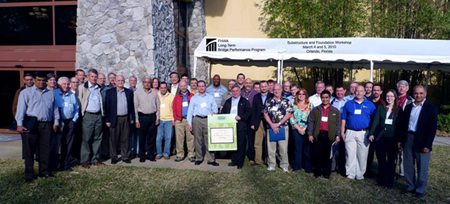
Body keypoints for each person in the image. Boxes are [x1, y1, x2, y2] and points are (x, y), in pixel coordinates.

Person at [15, 72, 60, 182]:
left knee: (45, 150)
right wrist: (19, 124)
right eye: (39, 80)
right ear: (34, 80)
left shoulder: (51, 93)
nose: (41, 82)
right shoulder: (26, 93)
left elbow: (55, 109)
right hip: (31, 124)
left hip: (46, 124)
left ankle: (44, 172)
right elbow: (21, 108)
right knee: (29, 150)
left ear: (46, 81)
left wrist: (56, 122)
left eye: (43, 80)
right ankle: (29, 175)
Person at [398, 85, 437, 198]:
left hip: (422, 140)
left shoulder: (430, 108)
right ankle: (410, 186)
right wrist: (400, 140)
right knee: (408, 164)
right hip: (408, 138)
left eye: (420, 93)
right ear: (413, 94)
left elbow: (432, 128)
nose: (418, 95)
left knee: (422, 166)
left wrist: (428, 144)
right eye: (416, 93)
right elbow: (402, 125)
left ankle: (420, 188)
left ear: (425, 94)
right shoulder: (409, 107)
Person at [341, 85, 376, 180]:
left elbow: (375, 120)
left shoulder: (370, 104)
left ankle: (360, 174)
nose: (359, 93)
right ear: (354, 92)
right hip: (350, 132)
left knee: (362, 155)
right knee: (350, 154)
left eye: (361, 91)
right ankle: (350, 174)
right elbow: (343, 118)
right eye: (357, 91)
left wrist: (372, 132)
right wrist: (342, 132)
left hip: (363, 133)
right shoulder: (348, 103)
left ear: (365, 92)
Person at [368, 89, 399, 188]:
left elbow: (400, 125)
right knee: (381, 159)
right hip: (381, 138)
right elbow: (376, 121)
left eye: (391, 96)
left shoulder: (399, 109)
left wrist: (399, 140)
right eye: (387, 96)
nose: (389, 98)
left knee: (391, 160)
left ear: (395, 97)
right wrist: (371, 133)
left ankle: (389, 181)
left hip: (392, 139)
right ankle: (381, 179)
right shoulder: (381, 108)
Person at [307, 90, 341, 179]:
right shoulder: (316, 110)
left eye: (327, 97)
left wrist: (338, 135)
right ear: (321, 98)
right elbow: (310, 122)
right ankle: (317, 171)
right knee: (317, 154)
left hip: (330, 135)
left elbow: (338, 124)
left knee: (328, 155)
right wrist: (310, 134)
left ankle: (326, 172)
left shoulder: (335, 111)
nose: (325, 99)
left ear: (330, 98)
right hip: (318, 134)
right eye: (323, 97)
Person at [77, 69, 105, 168]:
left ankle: (95, 159)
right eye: (92, 76)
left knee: (97, 138)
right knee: (86, 138)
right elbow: (79, 101)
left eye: (95, 77)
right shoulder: (82, 88)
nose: (94, 78)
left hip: (98, 115)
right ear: (88, 77)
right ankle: (85, 160)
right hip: (88, 115)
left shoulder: (99, 88)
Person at [187, 80, 219, 166]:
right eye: (199, 86)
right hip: (197, 119)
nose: (201, 88)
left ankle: (211, 159)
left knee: (209, 139)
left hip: (208, 119)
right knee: (198, 140)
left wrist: (214, 112)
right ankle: (199, 158)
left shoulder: (210, 97)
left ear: (205, 87)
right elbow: (190, 111)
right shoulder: (194, 98)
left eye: (203, 86)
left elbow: (215, 108)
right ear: (197, 88)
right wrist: (189, 123)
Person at [105, 75, 135, 164]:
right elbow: (107, 107)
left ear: (124, 81)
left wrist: (132, 118)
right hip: (114, 119)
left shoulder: (129, 92)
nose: (120, 82)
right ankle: (114, 157)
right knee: (113, 139)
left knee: (125, 138)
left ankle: (125, 156)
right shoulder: (110, 92)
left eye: (122, 80)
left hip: (125, 118)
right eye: (118, 80)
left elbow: (132, 107)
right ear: (115, 81)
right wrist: (107, 120)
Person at [264, 84, 293, 172]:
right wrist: (272, 124)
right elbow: (265, 114)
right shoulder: (269, 101)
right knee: (271, 148)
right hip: (271, 127)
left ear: (281, 90)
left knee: (283, 148)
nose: (276, 91)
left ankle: (284, 165)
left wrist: (278, 124)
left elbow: (289, 114)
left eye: (278, 89)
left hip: (282, 127)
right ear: (272, 90)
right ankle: (271, 164)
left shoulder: (286, 101)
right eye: (274, 90)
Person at [222, 85, 252, 169]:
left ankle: (240, 162)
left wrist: (241, 117)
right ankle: (234, 161)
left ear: (240, 92)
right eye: (233, 91)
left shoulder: (244, 101)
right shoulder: (228, 101)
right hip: (230, 126)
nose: (235, 93)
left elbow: (249, 112)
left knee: (241, 145)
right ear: (231, 92)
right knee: (232, 144)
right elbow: (223, 112)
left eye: (237, 91)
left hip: (241, 125)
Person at [54, 77, 79, 171]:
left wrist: (74, 120)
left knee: (68, 145)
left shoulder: (71, 95)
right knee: (57, 145)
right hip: (58, 122)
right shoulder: (54, 94)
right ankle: (55, 165)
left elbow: (77, 108)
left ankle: (65, 165)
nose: (66, 86)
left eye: (68, 84)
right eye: (64, 84)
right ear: (59, 84)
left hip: (69, 122)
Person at [134, 76, 160, 162]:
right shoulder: (138, 94)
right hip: (142, 117)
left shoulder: (154, 93)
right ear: (143, 83)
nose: (147, 84)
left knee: (151, 137)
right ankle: (142, 156)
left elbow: (158, 106)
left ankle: (150, 154)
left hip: (152, 117)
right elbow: (135, 107)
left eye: (149, 82)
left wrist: (157, 118)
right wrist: (137, 120)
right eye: (146, 82)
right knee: (142, 138)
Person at [289, 88, 314, 172]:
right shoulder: (293, 106)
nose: (301, 96)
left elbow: (312, 119)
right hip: (296, 129)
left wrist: (305, 128)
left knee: (307, 149)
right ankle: (297, 166)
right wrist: (299, 128)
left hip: (307, 130)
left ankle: (307, 167)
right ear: (297, 95)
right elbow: (291, 118)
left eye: (303, 94)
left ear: (306, 95)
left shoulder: (310, 106)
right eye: (299, 94)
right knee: (297, 148)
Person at [250, 81, 273, 166]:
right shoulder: (256, 97)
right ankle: (258, 160)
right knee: (258, 142)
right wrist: (252, 123)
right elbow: (253, 110)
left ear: (268, 87)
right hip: (258, 122)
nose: (263, 88)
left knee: (269, 142)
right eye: (262, 87)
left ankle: (268, 160)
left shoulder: (272, 96)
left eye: (265, 86)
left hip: (269, 122)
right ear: (260, 88)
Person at [365, 84, 385, 177]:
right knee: (368, 152)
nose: (375, 92)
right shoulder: (368, 102)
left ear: (381, 92)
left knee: (380, 153)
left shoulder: (384, 103)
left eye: (378, 90)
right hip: (369, 130)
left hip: (380, 132)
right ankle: (367, 170)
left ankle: (381, 173)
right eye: (374, 90)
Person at [173, 80, 195, 162]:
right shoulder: (177, 97)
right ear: (179, 87)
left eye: (184, 86)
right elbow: (174, 108)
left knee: (190, 138)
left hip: (189, 120)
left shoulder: (192, 96)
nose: (183, 87)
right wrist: (176, 119)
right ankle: (180, 154)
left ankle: (191, 154)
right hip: (179, 120)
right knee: (179, 138)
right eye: (181, 86)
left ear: (187, 86)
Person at [396, 80, 413, 179]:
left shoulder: (410, 101)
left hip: (404, 129)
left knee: (402, 152)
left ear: (407, 89)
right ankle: (392, 170)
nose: (401, 88)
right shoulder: (394, 98)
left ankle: (402, 173)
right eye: (400, 87)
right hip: (394, 127)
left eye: (403, 87)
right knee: (393, 151)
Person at [155, 82, 175, 160]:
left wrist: (173, 119)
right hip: (159, 119)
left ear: (167, 88)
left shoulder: (171, 96)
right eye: (162, 87)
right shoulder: (156, 96)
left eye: (165, 88)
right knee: (159, 138)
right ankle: (159, 153)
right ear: (159, 88)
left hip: (169, 120)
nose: (163, 89)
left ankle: (166, 153)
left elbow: (174, 109)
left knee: (168, 137)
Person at [128, 76, 139, 158]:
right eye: (131, 81)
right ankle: (129, 151)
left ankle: (136, 151)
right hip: (129, 116)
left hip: (137, 115)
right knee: (129, 135)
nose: (133, 82)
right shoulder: (127, 91)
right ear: (129, 81)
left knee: (137, 134)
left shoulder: (139, 91)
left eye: (134, 80)